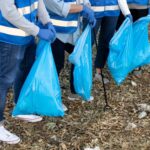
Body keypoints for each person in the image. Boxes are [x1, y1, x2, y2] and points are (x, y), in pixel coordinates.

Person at [0, 0, 56, 144]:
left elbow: (38, 2)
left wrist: (47, 22)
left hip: (28, 36)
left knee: (25, 70)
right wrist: (37, 30)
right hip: (10, 39)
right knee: (3, 81)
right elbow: (8, 11)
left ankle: (21, 107)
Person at [44, 0, 96, 103]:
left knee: (78, 58)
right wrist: (82, 8)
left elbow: (83, 2)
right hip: (55, 32)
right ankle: (50, 98)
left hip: (73, 31)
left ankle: (74, 91)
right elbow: (59, 7)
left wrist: (88, 9)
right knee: (56, 64)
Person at [84, 0, 132, 84]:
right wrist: (85, 8)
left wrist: (126, 12)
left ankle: (98, 72)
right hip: (93, 11)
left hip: (112, 12)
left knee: (106, 42)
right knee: (87, 43)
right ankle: (83, 74)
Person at [116, 0, 149, 77]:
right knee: (122, 35)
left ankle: (136, 65)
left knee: (138, 37)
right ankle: (122, 62)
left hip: (142, 8)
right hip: (124, 7)